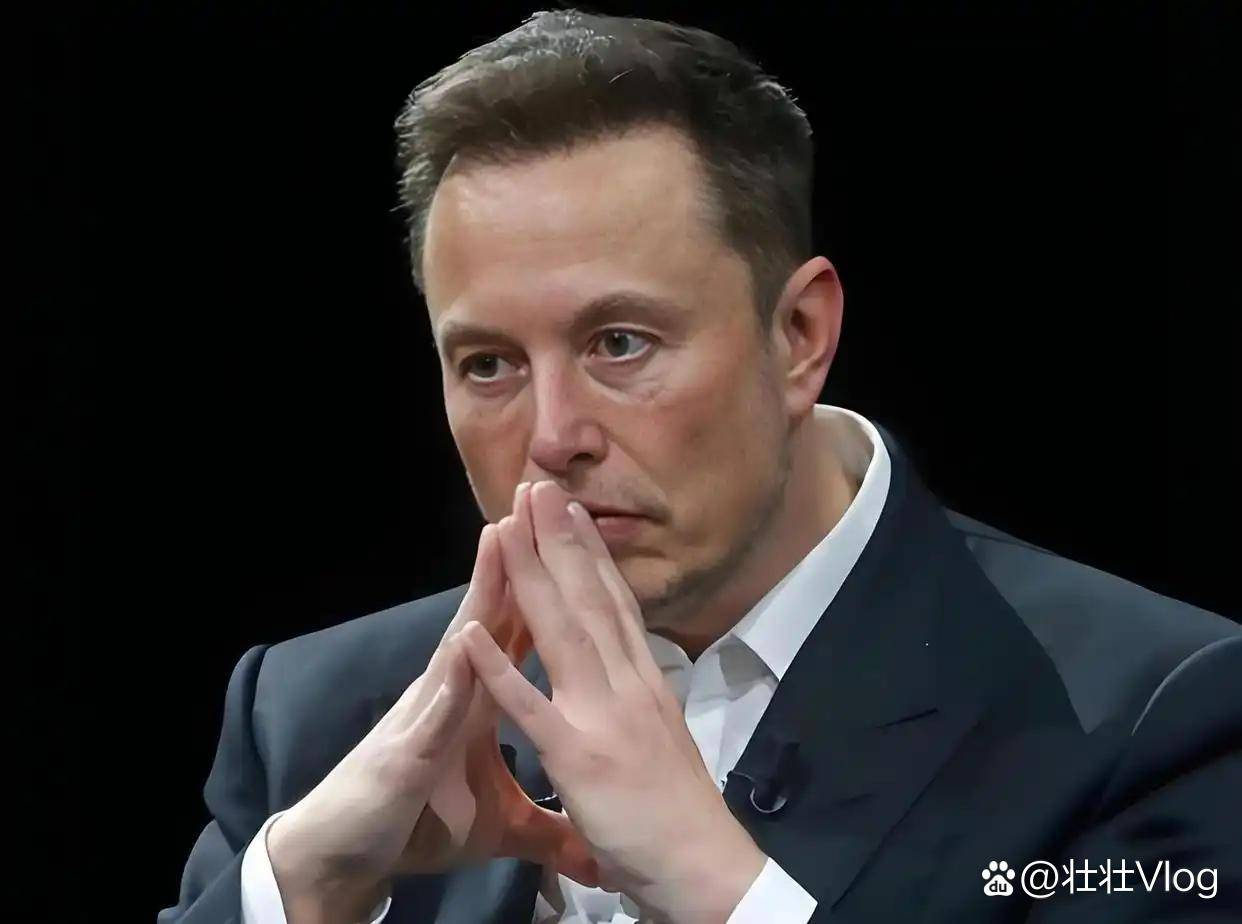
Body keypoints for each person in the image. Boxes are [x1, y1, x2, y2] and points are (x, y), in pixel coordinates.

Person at [159, 9, 1241, 923]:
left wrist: (721, 888)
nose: (553, 435)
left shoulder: (1158, 716)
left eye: (619, 343)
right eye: (488, 363)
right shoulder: (312, 719)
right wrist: (304, 888)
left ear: (799, 335)